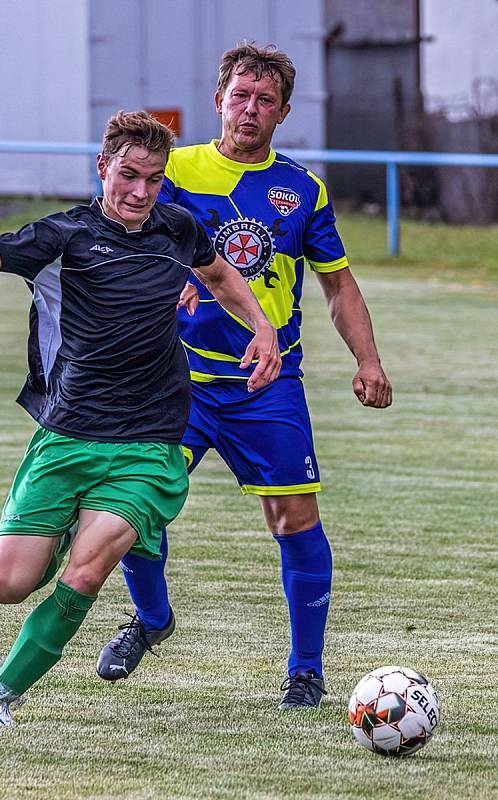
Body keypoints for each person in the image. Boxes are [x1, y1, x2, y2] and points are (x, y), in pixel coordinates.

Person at [0, 110, 279, 726]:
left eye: (153, 179)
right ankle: (69, 527)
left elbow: (219, 273)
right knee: (10, 586)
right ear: (104, 168)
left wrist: (262, 327)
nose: (141, 192)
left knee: (89, 573)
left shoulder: (178, 228)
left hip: (150, 443)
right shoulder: (65, 235)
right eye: (129, 175)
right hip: (68, 434)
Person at [97, 44, 393, 709]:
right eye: (239, 96)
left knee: (294, 518)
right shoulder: (175, 170)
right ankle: (150, 619)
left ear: (283, 111)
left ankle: (306, 672)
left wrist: (368, 361)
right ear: (218, 100)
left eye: (264, 100)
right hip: (174, 379)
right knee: (134, 507)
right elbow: (131, 235)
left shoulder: (303, 189)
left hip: (268, 383)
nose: (250, 109)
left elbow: (338, 287)